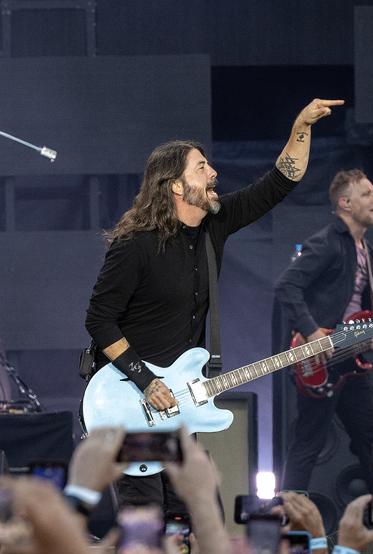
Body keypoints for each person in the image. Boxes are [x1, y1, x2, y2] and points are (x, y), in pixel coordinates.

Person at [84, 98, 344, 514]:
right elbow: (99, 320)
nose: (213, 173)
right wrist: (147, 381)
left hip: (180, 407)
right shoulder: (135, 246)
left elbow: (280, 182)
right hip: (132, 403)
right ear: (174, 185)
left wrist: (302, 127)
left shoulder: (213, 226)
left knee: (203, 520)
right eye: (201, 167)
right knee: (145, 529)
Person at [275, 169, 373, 493]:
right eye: (367, 194)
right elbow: (286, 286)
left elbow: (358, 308)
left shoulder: (366, 249)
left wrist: (372, 333)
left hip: (350, 359)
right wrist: (311, 332)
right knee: (308, 443)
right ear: (345, 203)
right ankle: (289, 521)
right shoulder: (326, 243)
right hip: (320, 360)